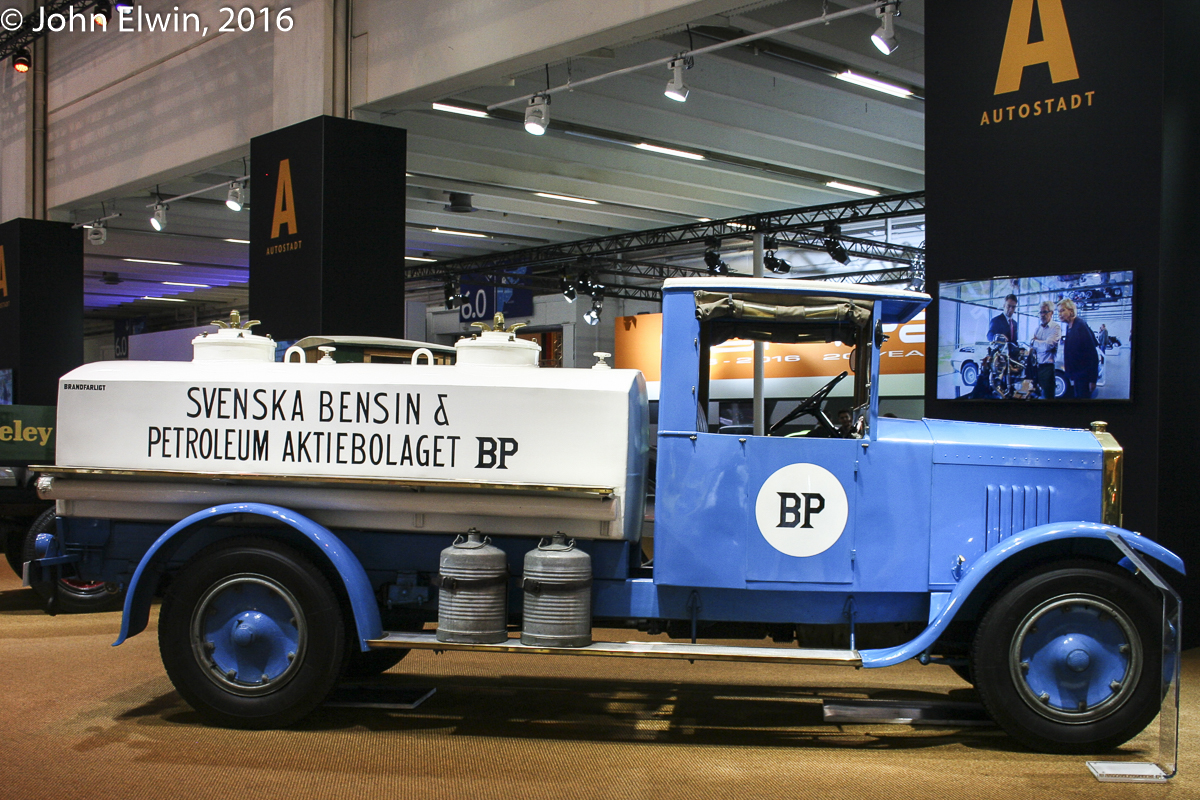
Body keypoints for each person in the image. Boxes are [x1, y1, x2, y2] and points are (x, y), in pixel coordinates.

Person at [1058, 298, 1100, 398]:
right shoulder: (1070, 327)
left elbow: (1093, 354)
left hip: (1084, 377)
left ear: (1071, 311)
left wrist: (1092, 380)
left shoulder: (1080, 326)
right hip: (1077, 376)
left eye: (1062, 310)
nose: (1059, 314)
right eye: (1058, 311)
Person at [1030, 301, 1061, 398]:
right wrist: (1038, 344)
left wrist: (1034, 342)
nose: (1042, 315)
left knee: (1047, 397)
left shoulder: (1055, 327)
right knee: (1034, 394)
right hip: (1036, 367)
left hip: (1047, 368)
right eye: (1041, 312)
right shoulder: (1038, 328)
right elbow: (1033, 348)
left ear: (1051, 313)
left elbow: (1048, 346)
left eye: (1045, 312)